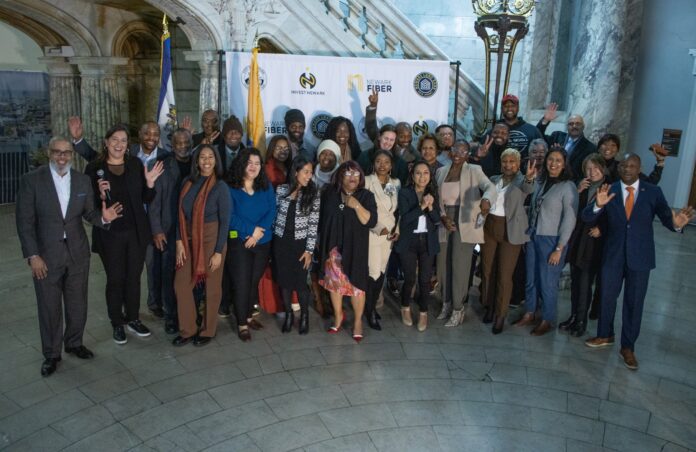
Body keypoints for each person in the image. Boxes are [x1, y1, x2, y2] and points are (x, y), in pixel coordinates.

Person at [16, 137, 123, 376]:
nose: (62, 157)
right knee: (49, 305)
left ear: (72, 155)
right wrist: (33, 255)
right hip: (46, 255)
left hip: (77, 252)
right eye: (57, 152)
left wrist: (104, 218)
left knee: (77, 302)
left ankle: (74, 343)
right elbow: (25, 222)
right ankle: (52, 354)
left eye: (66, 152)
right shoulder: (32, 180)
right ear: (49, 153)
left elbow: (89, 213)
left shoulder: (82, 180)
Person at [583, 154, 694, 370]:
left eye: (632, 165)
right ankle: (605, 335)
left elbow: (667, 218)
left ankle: (628, 347)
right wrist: (597, 205)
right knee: (606, 297)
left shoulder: (652, 191)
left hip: (640, 257)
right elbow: (587, 217)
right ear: (619, 168)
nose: (627, 169)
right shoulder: (609, 189)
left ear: (639, 168)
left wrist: (677, 224)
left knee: (634, 303)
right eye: (624, 165)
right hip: (613, 256)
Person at [84, 124, 164, 344]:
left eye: (123, 140)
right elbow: (88, 206)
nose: (119, 144)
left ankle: (133, 319)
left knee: (134, 278)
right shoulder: (94, 168)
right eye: (115, 140)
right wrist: (100, 198)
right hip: (110, 234)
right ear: (106, 142)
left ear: (128, 144)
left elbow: (145, 198)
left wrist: (150, 184)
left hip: (136, 232)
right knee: (115, 279)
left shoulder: (135, 164)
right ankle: (117, 323)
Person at [515, 146, 577, 336]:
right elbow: (528, 196)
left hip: (552, 240)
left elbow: (570, 219)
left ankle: (547, 319)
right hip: (533, 235)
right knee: (531, 278)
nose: (553, 163)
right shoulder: (541, 181)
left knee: (548, 282)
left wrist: (560, 248)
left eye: (558, 160)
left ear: (564, 164)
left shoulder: (568, 186)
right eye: (551, 159)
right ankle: (530, 312)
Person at [172, 145, 230, 346]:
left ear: (216, 160)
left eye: (210, 157)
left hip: (212, 238)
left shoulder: (220, 187)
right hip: (187, 237)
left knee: (212, 287)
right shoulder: (187, 182)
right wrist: (179, 241)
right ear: (196, 161)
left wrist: (218, 252)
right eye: (202, 157)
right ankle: (187, 329)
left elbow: (225, 221)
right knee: (181, 284)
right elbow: (179, 214)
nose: (206, 161)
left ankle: (207, 331)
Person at [435, 141, 496, 327]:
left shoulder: (474, 170)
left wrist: (486, 200)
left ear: (468, 154)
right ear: (450, 151)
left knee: (459, 266)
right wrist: (443, 216)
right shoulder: (441, 171)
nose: (458, 154)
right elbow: (437, 198)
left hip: (465, 220)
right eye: (455, 150)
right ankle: (446, 303)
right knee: (443, 264)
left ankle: (458, 308)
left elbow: (490, 187)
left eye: (463, 151)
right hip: (444, 220)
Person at [318, 161, 378, 342]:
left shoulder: (366, 196)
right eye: (348, 173)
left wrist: (356, 205)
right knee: (335, 285)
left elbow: (371, 221)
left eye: (356, 174)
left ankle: (358, 322)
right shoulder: (330, 194)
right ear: (340, 176)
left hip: (356, 249)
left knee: (357, 287)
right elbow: (322, 219)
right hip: (333, 249)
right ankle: (338, 316)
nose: (352, 177)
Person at [480, 149, 536, 334]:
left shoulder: (522, 181)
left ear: (518, 164)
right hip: (489, 227)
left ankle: (500, 314)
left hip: (511, 230)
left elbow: (529, 188)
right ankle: (489, 305)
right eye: (505, 161)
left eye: (512, 161)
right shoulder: (494, 179)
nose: (508, 165)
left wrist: (529, 178)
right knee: (487, 270)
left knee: (504, 275)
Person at [227, 148, 276, 341]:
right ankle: (241, 324)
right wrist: (250, 231)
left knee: (253, 281)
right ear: (241, 164)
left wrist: (257, 234)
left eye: (257, 163)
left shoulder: (266, 186)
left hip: (262, 241)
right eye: (249, 163)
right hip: (239, 241)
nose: (253, 167)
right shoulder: (230, 188)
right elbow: (230, 216)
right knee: (242, 282)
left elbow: (272, 210)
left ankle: (248, 316)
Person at [148, 128, 194, 334]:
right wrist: (157, 230)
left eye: (186, 142)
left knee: (191, 273)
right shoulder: (161, 166)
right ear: (172, 145)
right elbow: (154, 203)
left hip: (193, 229)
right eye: (179, 143)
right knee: (169, 274)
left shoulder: (198, 162)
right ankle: (171, 316)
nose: (183, 146)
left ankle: (190, 312)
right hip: (168, 230)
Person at [273, 156, 321, 334]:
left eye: (311, 172)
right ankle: (289, 315)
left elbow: (313, 224)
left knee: (300, 283)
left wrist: (309, 250)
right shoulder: (281, 190)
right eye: (306, 172)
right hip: (281, 242)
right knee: (284, 282)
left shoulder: (314, 193)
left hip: (301, 244)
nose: (309, 176)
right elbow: (274, 216)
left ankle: (304, 316)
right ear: (296, 172)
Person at [563, 153, 607, 337]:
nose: (592, 171)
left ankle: (581, 321)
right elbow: (571, 210)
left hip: (592, 242)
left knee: (584, 283)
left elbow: (614, 216)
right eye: (588, 168)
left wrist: (602, 228)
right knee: (576, 281)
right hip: (577, 239)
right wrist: (578, 191)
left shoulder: (609, 187)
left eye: (596, 167)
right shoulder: (582, 185)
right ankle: (574, 316)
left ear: (603, 168)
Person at [395, 161, 440, 331]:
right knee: (410, 279)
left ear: (430, 175)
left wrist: (430, 207)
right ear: (413, 176)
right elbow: (406, 219)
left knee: (425, 280)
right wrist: (422, 206)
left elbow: (437, 220)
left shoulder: (433, 192)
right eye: (418, 173)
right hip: (409, 241)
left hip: (427, 241)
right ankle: (405, 307)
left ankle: (423, 312)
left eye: (426, 173)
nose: (422, 177)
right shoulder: (405, 193)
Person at [364, 150, 401, 330]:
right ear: (373, 163)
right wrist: (378, 228)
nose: (382, 165)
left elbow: (396, 211)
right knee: (373, 273)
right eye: (379, 161)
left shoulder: (394, 183)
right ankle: (369, 310)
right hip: (373, 233)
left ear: (391, 165)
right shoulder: (367, 181)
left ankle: (370, 306)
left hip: (389, 235)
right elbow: (363, 210)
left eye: (386, 161)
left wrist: (397, 230)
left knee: (381, 271)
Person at [537, 103, 596, 179]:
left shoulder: (590, 148)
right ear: (567, 126)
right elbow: (538, 135)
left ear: (583, 126)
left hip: (571, 182)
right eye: (571, 124)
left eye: (578, 124)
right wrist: (546, 120)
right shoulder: (557, 136)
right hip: (550, 178)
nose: (574, 126)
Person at [364, 88, 420, 165]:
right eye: (402, 136)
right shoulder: (383, 144)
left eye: (409, 136)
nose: (406, 139)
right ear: (395, 136)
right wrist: (373, 106)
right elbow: (371, 126)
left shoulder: (413, 152)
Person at [598, 134, 664, 185]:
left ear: (617, 150)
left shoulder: (623, 167)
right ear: (598, 147)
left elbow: (649, 183)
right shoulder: (591, 164)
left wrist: (660, 161)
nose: (608, 148)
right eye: (605, 144)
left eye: (613, 145)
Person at [496, 94, 542, 158]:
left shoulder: (532, 130)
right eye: (506, 106)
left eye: (513, 106)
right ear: (501, 109)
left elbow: (542, 151)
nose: (509, 108)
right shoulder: (494, 132)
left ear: (518, 108)